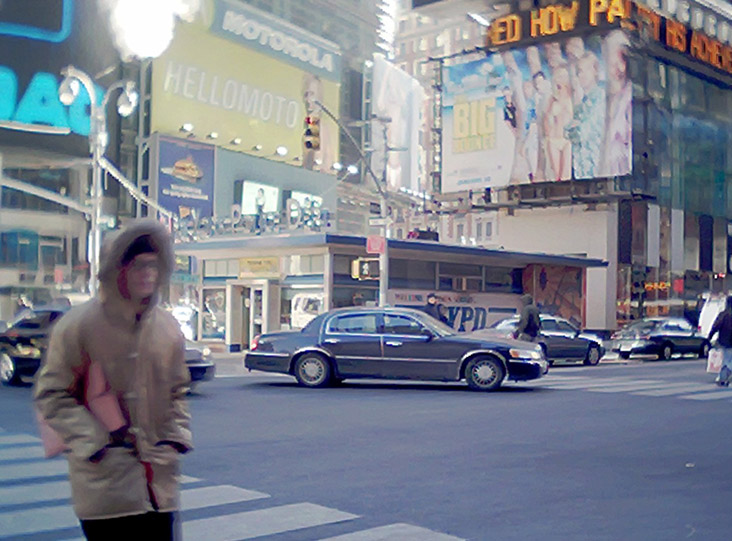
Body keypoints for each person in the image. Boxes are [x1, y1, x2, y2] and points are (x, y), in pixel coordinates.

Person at [34, 220, 192, 540]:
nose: (148, 273)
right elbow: (53, 394)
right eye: (136, 265)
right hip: (106, 488)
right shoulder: (79, 325)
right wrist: (97, 444)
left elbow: (178, 390)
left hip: (159, 486)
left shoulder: (167, 328)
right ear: (115, 270)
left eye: (153, 264)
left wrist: (175, 436)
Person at [708, 295, 732, 387]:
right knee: (728, 361)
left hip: (724, 341)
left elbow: (715, 326)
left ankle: (722, 378)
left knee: (726, 360)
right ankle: (723, 378)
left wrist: (710, 336)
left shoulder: (723, 314)